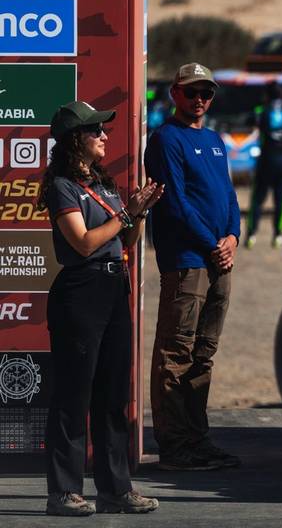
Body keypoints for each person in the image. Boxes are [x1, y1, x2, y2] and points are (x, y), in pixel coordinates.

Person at [38, 101, 164, 516]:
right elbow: (85, 243)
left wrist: (139, 213)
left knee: (112, 395)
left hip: (113, 287)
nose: (105, 137)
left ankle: (115, 490)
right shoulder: (61, 187)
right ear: (77, 139)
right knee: (73, 396)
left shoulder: (105, 184)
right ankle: (64, 492)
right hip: (80, 291)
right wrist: (128, 212)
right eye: (97, 132)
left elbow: (123, 241)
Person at [144, 63, 243, 472]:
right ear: (174, 94)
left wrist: (233, 236)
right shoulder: (166, 139)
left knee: (204, 353)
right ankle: (174, 445)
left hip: (220, 258)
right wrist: (211, 244)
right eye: (191, 92)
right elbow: (176, 203)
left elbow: (230, 196)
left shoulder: (216, 140)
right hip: (188, 261)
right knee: (176, 352)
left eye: (206, 92)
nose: (199, 99)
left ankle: (197, 438)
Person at [244, 82, 282, 249]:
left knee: (257, 200)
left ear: (267, 95)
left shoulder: (261, 110)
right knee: (281, 200)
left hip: (266, 161)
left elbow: (249, 121)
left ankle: (251, 235)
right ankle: (278, 236)